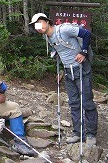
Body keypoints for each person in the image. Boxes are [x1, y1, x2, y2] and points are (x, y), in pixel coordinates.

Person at [29, 13, 98, 146]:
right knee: (73, 103)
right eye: (35, 25)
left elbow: (86, 34)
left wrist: (83, 52)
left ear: (47, 22)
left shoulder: (64, 29)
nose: (38, 27)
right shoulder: (48, 38)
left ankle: (91, 134)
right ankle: (78, 133)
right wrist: (61, 70)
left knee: (87, 102)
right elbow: (62, 52)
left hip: (81, 68)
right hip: (68, 71)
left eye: (40, 23)